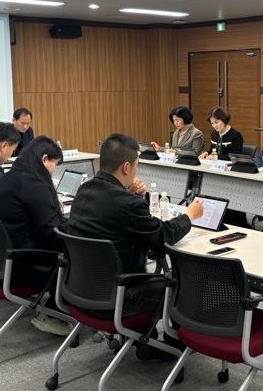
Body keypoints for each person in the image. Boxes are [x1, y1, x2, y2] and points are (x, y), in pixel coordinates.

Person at [66, 133, 204, 360]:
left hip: (81, 291)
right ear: (127, 167)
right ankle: (172, 347)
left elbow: (117, 218)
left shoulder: (85, 190)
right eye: (137, 165)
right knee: (181, 283)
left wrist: (129, 194)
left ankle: (144, 338)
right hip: (118, 298)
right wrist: (189, 216)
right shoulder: (126, 203)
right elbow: (163, 235)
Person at [0, 136, 67, 336]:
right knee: (76, 253)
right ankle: (54, 313)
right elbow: (51, 233)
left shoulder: (11, 177)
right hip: (21, 267)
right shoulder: (34, 184)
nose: (54, 170)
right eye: (55, 164)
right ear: (44, 159)